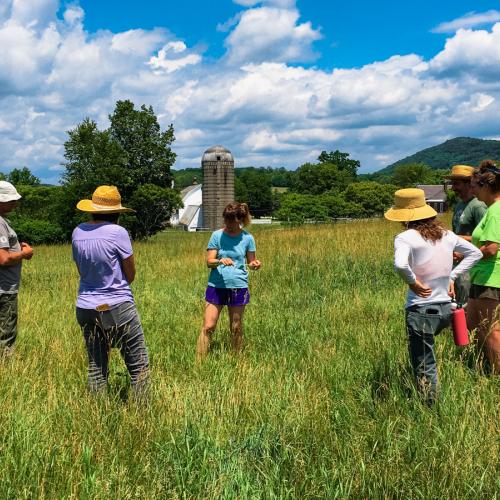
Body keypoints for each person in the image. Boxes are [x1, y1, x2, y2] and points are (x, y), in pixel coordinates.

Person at [385, 188, 481, 402]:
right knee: (430, 359)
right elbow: (476, 253)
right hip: (446, 309)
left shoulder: (405, 237)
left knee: (425, 363)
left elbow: (400, 264)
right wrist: (451, 277)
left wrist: (413, 283)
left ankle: (430, 407)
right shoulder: (447, 234)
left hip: (421, 309)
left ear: (403, 216)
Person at [72, 186, 149, 396]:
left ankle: (97, 414)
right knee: (138, 366)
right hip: (117, 304)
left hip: (85, 306)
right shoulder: (118, 232)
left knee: (96, 366)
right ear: (116, 212)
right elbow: (130, 274)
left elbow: (81, 271)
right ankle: (142, 416)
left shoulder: (78, 232)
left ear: (92, 209)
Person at [196, 202, 261, 358]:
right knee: (209, 326)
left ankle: (237, 360)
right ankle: (198, 363)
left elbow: (251, 261)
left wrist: (255, 264)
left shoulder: (248, 238)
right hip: (216, 286)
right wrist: (220, 261)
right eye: (226, 220)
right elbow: (208, 262)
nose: (229, 224)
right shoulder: (217, 235)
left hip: (238, 286)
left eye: (232, 221)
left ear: (240, 220)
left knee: (236, 327)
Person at [468, 160, 500, 373]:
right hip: (481, 277)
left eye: (476, 186)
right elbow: (480, 241)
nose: (474, 191)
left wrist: (466, 258)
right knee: (474, 326)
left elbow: (491, 248)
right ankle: (483, 368)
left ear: (486, 187)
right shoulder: (491, 210)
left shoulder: (496, 211)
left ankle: (495, 374)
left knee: (492, 331)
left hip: (491, 278)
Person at [445, 165, 487, 306]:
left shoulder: (478, 206)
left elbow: (486, 238)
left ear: (469, 183)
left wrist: (461, 241)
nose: (453, 188)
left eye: (456, 184)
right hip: (457, 264)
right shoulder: (459, 205)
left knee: (466, 304)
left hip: (471, 264)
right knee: (456, 303)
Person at [0, 181, 33, 355]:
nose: (14, 203)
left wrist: (17, 248)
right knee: (6, 334)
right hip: (4, 289)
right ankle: (7, 369)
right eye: (10, 200)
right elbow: (4, 259)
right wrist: (25, 253)